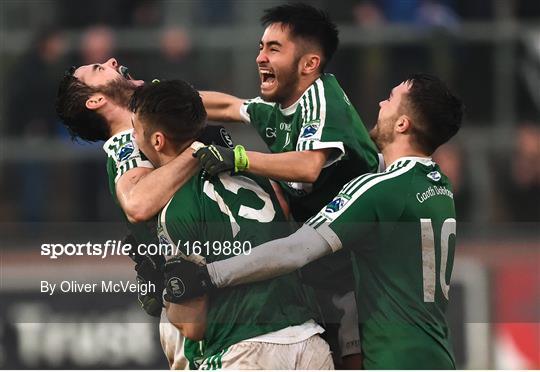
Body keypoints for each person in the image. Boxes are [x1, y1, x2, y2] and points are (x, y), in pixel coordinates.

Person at [167, 73, 465, 369]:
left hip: (396, 361)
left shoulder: (380, 189)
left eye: (389, 99)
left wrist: (208, 275)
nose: (380, 103)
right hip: (437, 355)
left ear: (403, 124)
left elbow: (294, 250)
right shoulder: (439, 186)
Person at [194, 4, 380, 366]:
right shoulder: (278, 108)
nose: (260, 57)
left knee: (353, 361)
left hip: (360, 271)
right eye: (261, 47)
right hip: (319, 263)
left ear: (309, 64)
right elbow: (230, 106)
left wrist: (239, 158)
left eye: (274, 48)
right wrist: (156, 98)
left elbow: (308, 167)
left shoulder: (323, 98)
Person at [129, 79, 333, 369]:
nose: (134, 139)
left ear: (158, 141)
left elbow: (193, 327)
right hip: (309, 342)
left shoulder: (175, 210)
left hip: (244, 350)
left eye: (135, 131)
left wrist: (165, 288)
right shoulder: (259, 175)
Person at [55, 57, 230, 368]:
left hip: (222, 297)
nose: (111, 60)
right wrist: (198, 150)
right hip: (197, 314)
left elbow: (220, 106)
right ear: (96, 100)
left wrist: (254, 110)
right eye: (98, 69)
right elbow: (137, 203)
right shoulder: (126, 141)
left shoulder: (155, 114)